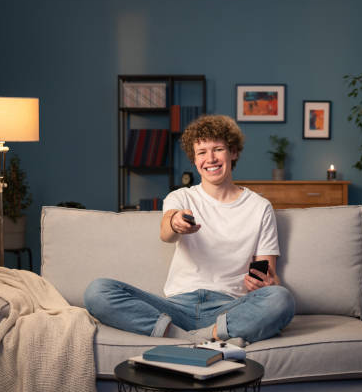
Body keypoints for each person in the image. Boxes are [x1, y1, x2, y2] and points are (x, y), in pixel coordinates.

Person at [84, 115, 295, 345]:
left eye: (218, 149)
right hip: (175, 308)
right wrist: (175, 222)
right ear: (195, 160)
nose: (210, 158)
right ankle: (187, 336)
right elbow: (166, 232)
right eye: (201, 152)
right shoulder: (181, 197)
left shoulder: (259, 207)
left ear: (233, 152)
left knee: (281, 298)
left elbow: (268, 274)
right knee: (97, 291)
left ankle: (209, 334)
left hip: (229, 307)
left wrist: (266, 284)